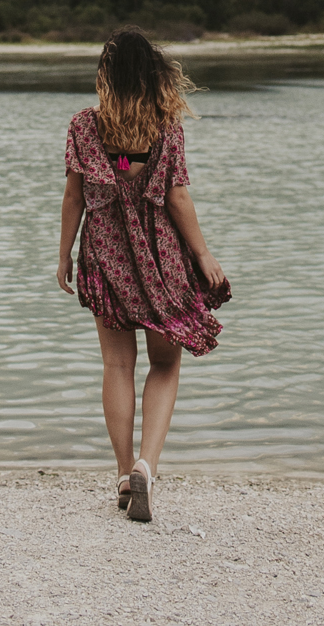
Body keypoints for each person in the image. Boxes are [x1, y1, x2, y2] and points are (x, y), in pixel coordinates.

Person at [57, 26, 230, 522]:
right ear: (153, 75)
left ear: (106, 77)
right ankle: (146, 466)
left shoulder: (84, 126)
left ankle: (120, 473)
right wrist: (202, 257)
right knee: (165, 365)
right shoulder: (165, 126)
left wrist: (64, 254)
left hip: (106, 253)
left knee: (117, 366)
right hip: (161, 258)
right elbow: (176, 197)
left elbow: (74, 197)